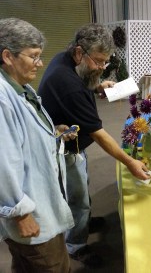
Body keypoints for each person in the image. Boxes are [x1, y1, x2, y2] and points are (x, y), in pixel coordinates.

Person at [38, 23, 150, 268]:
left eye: (105, 62)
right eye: (98, 62)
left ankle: (84, 222)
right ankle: (76, 244)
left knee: (81, 189)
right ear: (80, 52)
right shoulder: (67, 84)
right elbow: (99, 134)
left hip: (74, 143)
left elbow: (82, 83)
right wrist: (130, 162)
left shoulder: (66, 61)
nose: (101, 68)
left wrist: (98, 86)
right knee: (77, 197)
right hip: (65, 149)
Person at [0, 17, 76, 273]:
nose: (40, 63)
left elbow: (21, 139)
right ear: (8, 56)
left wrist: (53, 134)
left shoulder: (20, 88)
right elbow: (3, 161)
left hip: (38, 206)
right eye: (33, 56)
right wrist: (20, 214)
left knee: (25, 266)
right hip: (32, 216)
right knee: (51, 265)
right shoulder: (2, 98)